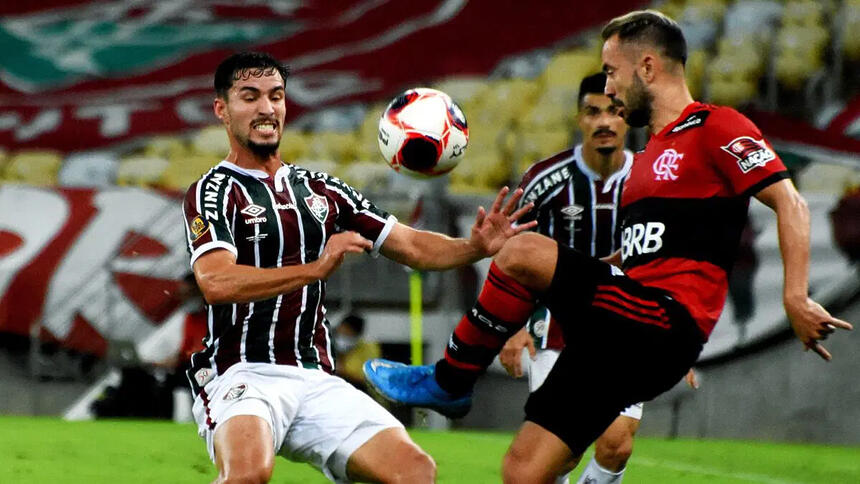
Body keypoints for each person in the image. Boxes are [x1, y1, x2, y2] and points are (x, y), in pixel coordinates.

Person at [364, 10, 852, 483]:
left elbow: (791, 202)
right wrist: (547, 284)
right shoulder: (644, 162)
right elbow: (635, 258)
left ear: (647, 67)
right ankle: (455, 379)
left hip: (664, 320)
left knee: (519, 251)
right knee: (523, 471)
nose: (610, 88)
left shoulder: (715, 126)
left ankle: (450, 381)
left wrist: (794, 297)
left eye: (612, 73)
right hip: (619, 331)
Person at [182, 51, 534, 484]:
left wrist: (474, 247)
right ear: (222, 109)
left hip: (313, 376)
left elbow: (409, 245)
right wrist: (315, 269)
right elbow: (216, 281)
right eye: (249, 97)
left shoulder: (323, 190)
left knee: (414, 471)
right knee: (248, 475)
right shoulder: (212, 192)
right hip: (239, 373)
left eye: (275, 96)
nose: (266, 108)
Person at [498, 72, 643, 484]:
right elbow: (511, 254)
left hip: (629, 325)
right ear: (579, 118)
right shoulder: (545, 180)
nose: (605, 122)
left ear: (628, 118)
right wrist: (513, 326)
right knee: (557, 456)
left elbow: (668, 259)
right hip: (559, 328)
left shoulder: (652, 180)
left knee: (617, 443)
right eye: (593, 112)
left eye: (615, 112)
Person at [333, 314, 380, 391]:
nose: (342, 338)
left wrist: (343, 372)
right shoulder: (327, 343)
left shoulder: (368, 348)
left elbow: (369, 380)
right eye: (340, 334)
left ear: (357, 335)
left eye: (347, 335)